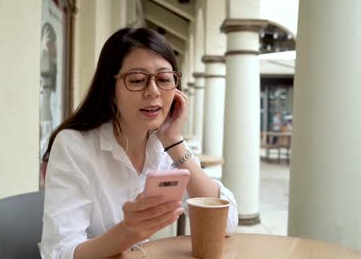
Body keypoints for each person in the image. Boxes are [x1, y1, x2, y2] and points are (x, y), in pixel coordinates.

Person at [40, 27, 238, 259]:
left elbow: (226, 223)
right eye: (136, 80)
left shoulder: (164, 145)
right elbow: (59, 252)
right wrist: (127, 231)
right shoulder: (74, 145)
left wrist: (174, 142)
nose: (153, 91)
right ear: (111, 89)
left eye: (164, 79)